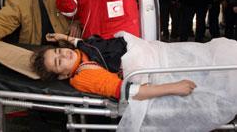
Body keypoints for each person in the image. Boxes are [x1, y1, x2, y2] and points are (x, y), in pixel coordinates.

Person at [32, 31, 237, 131]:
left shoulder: (79, 53)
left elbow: (87, 46)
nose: (64, 55)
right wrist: (174, 88)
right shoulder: (84, 76)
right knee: (215, 71)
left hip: (153, 51)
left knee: (212, 56)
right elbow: (129, 91)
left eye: (58, 51)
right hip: (153, 66)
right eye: (58, 62)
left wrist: (64, 37)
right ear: (63, 76)